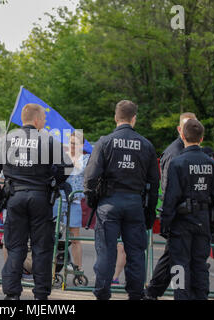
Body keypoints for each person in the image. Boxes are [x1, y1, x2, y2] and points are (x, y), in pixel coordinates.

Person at [0, 103, 71, 300]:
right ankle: (41, 296)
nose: (46, 123)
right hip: (41, 198)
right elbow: (67, 166)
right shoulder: (48, 140)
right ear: (37, 119)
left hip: (15, 197)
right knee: (42, 249)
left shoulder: (7, 139)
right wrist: (54, 183)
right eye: (44, 119)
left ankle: (12, 295)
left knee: (15, 248)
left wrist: (0, 198)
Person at [83, 100, 159, 300]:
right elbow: (154, 183)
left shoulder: (105, 142)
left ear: (115, 118)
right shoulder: (146, 145)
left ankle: (102, 293)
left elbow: (90, 177)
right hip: (135, 203)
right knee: (135, 253)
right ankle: (136, 294)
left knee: (106, 251)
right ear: (134, 118)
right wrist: (149, 212)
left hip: (108, 202)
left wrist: (92, 200)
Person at [160, 119, 214, 300]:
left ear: (182, 135)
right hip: (203, 220)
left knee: (179, 265)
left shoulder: (178, 163)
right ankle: (201, 297)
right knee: (200, 265)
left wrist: (165, 224)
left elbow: (170, 198)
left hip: (181, 222)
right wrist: (213, 223)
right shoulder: (213, 165)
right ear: (201, 138)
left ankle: (181, 296)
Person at [144, 112, 197, 300]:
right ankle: (175, 293)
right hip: (177, 215)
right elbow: (168, 187)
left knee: (172, 258)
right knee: (177, 261)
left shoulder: (188, 150)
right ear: (179, 129)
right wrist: (169, 216)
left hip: (185, 216)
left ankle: (153, 292)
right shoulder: (174, 152)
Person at [53, 131, 89, 274]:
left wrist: (73, 161)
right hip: (59, 199)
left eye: (75, 143)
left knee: (74, 236)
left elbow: (85, 172)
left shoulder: (86, 159)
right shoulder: (62, 156)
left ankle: (78, 269)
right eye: (71, 142)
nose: (72, 146)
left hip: (74, 201)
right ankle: (53, 266)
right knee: (54, 233)